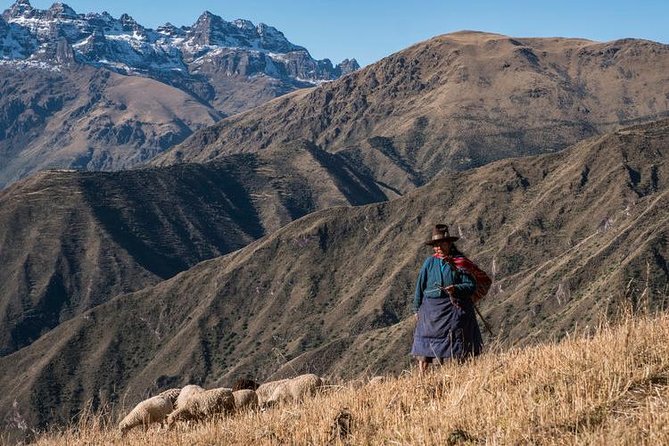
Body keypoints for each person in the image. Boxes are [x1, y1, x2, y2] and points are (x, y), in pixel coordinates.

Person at [411, 224, 483, 374]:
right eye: (435, 245)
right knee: (424, 344)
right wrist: (416, 309)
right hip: (430, 312)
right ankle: (421, 378)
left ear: (449, 244)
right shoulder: (429, 263)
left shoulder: (459, 263)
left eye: (441, 244)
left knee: (456, 342)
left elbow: (471, 285)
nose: (438, 248)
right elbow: (420, 286)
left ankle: (456, 373)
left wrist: (455, 288)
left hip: (452, 309)